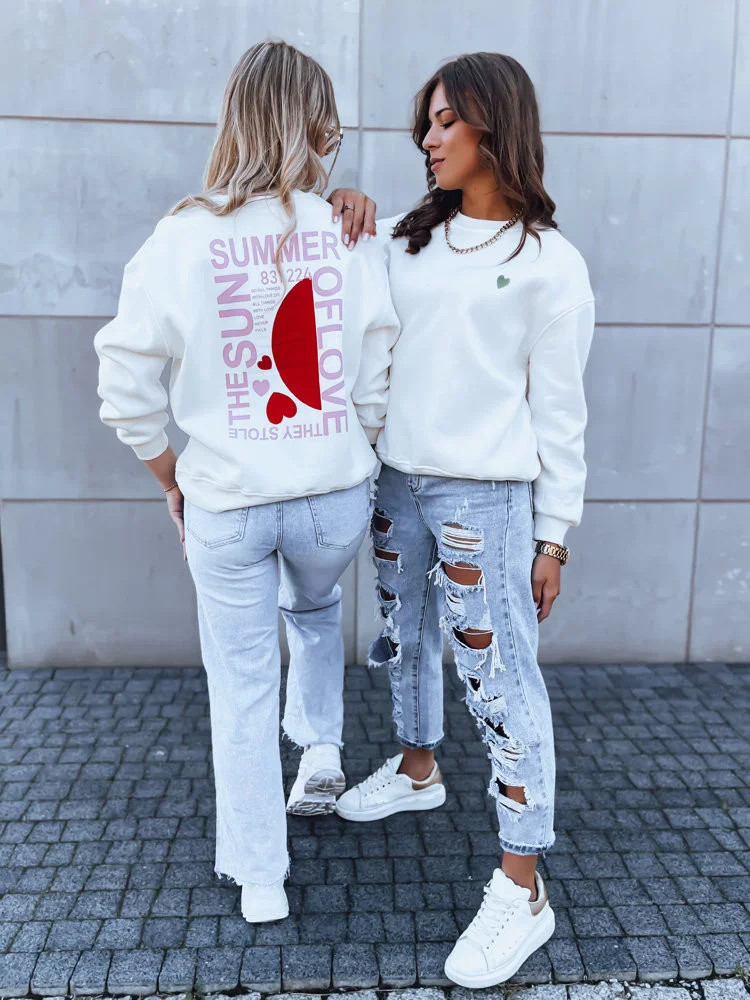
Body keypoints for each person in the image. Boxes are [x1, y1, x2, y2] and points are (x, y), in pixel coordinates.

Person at [94, 40, 399, 924]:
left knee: (240, 684)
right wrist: (345, 445)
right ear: (316, 127)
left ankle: (262, 878)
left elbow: (123, 383)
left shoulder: (181, 236)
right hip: (332, 498)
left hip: (225, 502)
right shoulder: (347, 232)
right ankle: (322, 750)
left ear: (235, 118)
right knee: (312, 608)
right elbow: (376, 371)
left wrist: (169, 473)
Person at [330, 52, 595, 985]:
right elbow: (342, 271)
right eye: (428, 123)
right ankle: (417, 771)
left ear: (495, 125)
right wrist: (346, 206)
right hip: (398, 481)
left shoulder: (550, 265)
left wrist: (555, 534)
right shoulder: (405, 238)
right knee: (405, 636)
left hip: (488, 497)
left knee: (501, 680)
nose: (429, 138)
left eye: (447, 121)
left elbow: (561, 415)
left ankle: (523, 887)